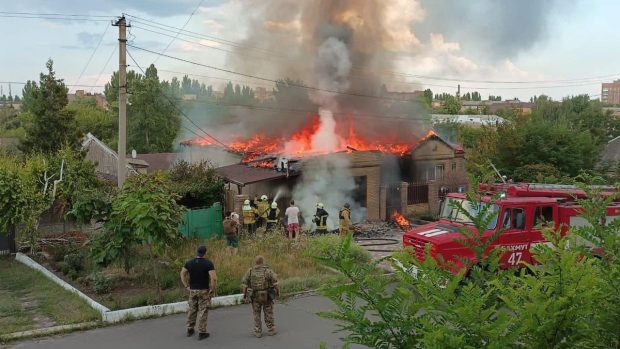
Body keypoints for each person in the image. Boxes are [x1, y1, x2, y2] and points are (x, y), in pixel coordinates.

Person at [180, 245, 217, 340]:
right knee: (203, 311)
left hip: (192, 290)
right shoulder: (208, 263)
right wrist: (212, 289)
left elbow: (182, 273)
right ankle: (202, 332)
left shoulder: (189, 263)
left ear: (197, 252)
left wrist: (186, 286)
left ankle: (190, 329)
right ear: (205, 252)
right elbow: (213, 278)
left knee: (192, 309)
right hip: (204, 290)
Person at [242, 255, 279, 338]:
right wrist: (277, 292)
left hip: (255, 296)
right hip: (267, 296)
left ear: (256, 262)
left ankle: (258, 331)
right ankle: (271, 330)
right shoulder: (268, 271)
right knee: (268, 313)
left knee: (256, 314)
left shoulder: (250, 271)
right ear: (263, 261)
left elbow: (244, 284)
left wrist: (244, 295)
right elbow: (275, 283)